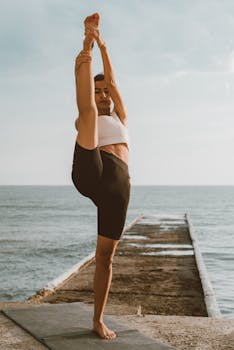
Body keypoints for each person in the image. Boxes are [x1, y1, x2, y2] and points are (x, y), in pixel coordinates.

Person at [71, 13, 131, 340]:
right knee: (88, 115)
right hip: (91, 168)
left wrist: (103, 42)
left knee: (105, 258)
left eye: (105, 91)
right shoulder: (90, 116)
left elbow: (113, 80)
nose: (104, 95)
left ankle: (97, 319)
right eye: (98, 91)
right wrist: (89, 43)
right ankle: (81, 52)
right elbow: (86, 112)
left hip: (118, 187)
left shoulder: (120, 115)